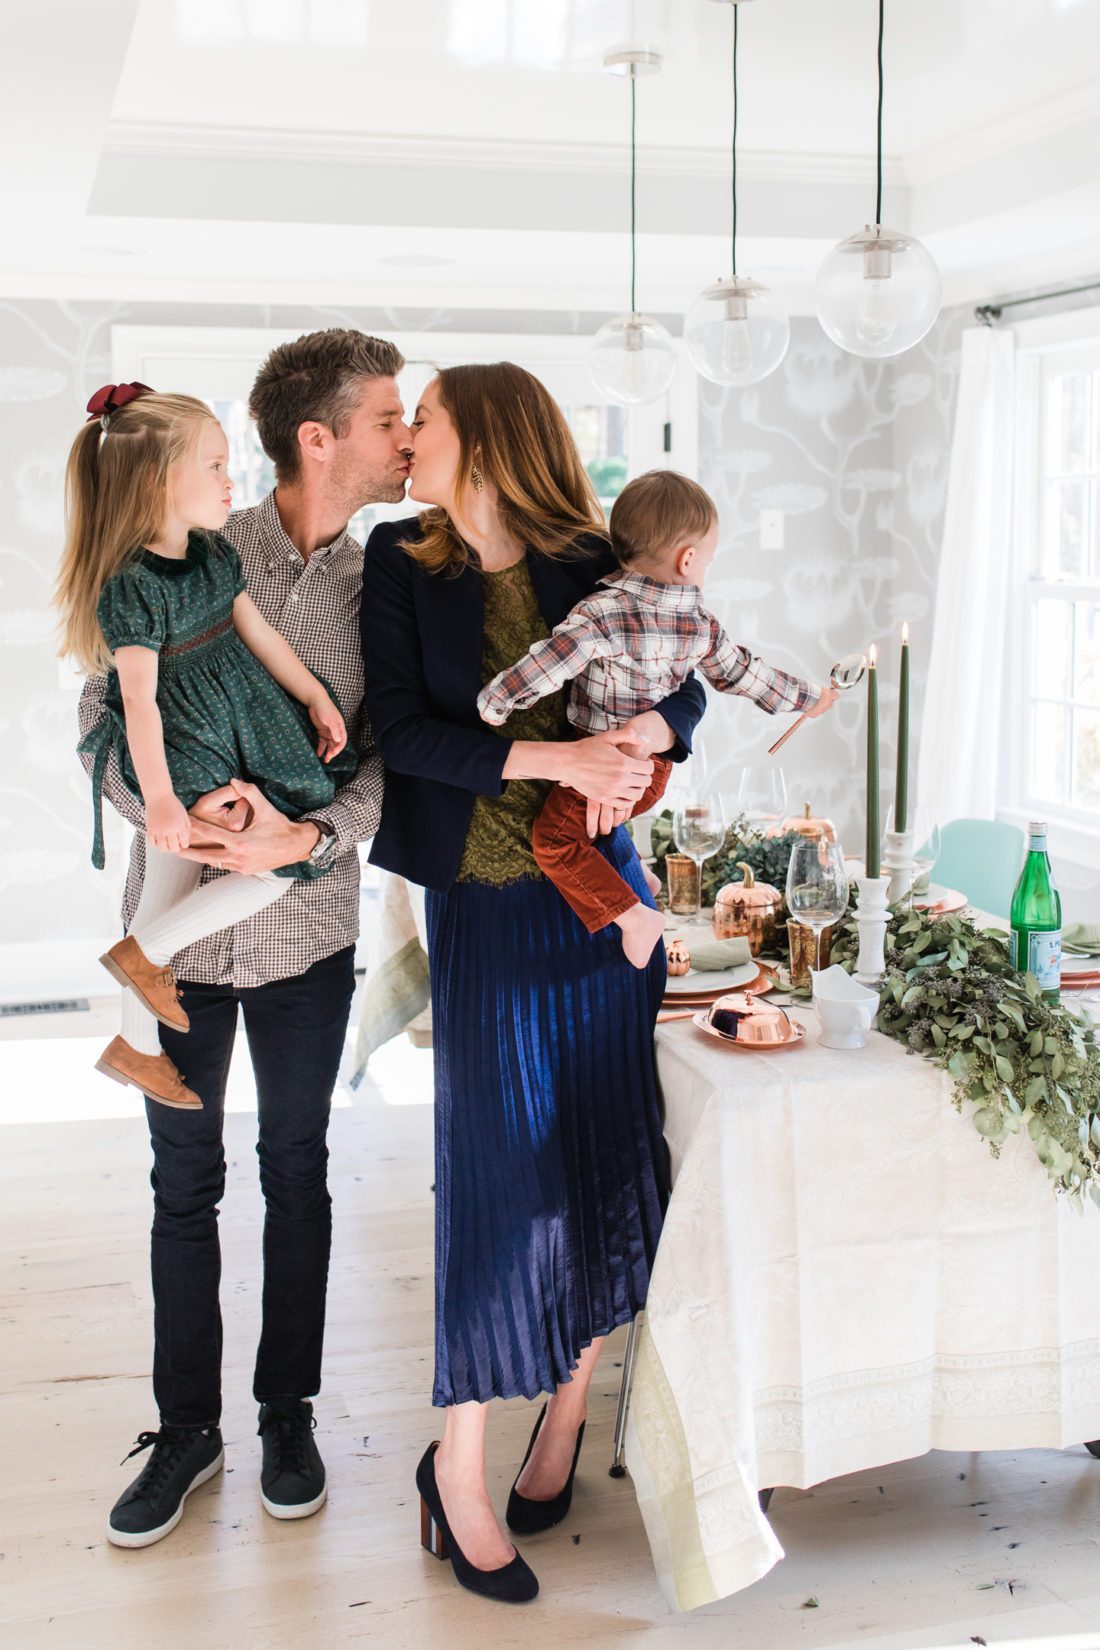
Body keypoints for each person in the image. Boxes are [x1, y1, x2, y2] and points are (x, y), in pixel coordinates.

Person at [360, 363, 706, 1604]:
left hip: (599, 904)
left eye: (428, 421)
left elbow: (689, 680)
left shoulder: (581, 555)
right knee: (503, 1193)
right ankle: (457, 1471)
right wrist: (557, 747)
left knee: (606, 1168)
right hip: (489, 909)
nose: (407, 439)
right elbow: (398, 733)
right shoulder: (400, 561)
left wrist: (645, 740)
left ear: (488, 437)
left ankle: (560, 1423)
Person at [76, 329, 410, 1548]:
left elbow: (383, 760)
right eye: (390, 416)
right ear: (314, 438)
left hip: (308, 936)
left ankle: (286, 1413)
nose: (408, 435)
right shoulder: (196, 544)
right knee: (184, 1187)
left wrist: (305, 845)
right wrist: (179, 811)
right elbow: (100, 715)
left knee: (298, 1175)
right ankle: (185, 1432)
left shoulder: (388, 585)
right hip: (175, 933)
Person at [59, 384, 353, 1112]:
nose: (233, 482)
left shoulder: (215, 555)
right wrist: (161, 798)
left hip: (235, 729)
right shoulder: (130, 589)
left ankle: (136, 1045)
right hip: (188, 752)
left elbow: (259, 634)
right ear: (160, 480)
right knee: (278, 864)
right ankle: (144, 960)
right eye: (216, 467)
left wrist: (314, 694)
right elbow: (134, 704)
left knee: (164, 894)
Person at [478, 469, 836, 968]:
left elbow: (550, 662)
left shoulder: (602, 612)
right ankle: (637, 878)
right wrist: (810, 697)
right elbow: (745, 675)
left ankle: (633, 916)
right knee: (588, 827)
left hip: (603, 764)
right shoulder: (701, 625)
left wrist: (497, 700)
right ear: (689, 560)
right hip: (655, 772)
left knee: (555, 842)